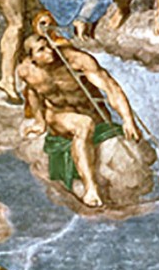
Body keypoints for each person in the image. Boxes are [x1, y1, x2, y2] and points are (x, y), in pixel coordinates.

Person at [18, 32, 141, 209]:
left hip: (93, 115)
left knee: (92, 126)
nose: (50, 51)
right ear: (32, 58)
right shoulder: (27, 71)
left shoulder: (76, 60)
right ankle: (90, 188)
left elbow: (110, 87)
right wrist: (39, 121)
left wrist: (128, 119)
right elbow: (32, 93)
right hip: (59, 116)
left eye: (48, 45)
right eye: (41, 50)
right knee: (83, 125)